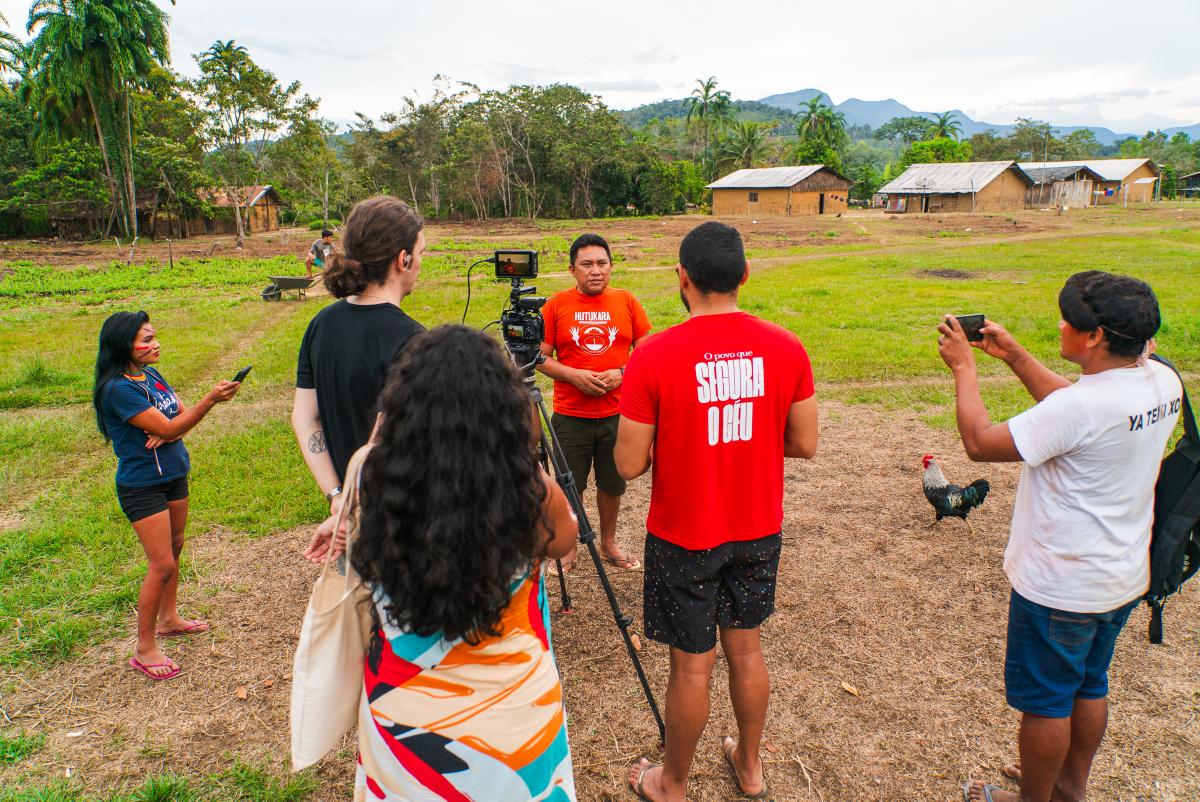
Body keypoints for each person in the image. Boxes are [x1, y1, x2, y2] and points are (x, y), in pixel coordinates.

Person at [935, 271, 1181, 802]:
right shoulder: (1163, 379)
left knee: (1046, 702)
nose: (1061, 326)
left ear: (1094, 336)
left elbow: (979, 443)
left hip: (1061, 586)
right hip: (1120, 574)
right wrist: (1017, 356)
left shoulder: (1083, 408)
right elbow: (1078, 411)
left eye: (1067, 321)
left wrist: (966, 367)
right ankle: (1069, 788)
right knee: (1089, 685)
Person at [615, 222, 818, 802]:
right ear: (744, 276)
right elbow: (804, 442)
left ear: (683, 278)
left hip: (684, 535)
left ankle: (672, 782)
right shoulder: (786, 346)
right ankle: (749, 767)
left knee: (691, 667)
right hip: (757, 529)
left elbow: (628, 465)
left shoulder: (653, 355)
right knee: (746, 648)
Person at [341, 325, 579, 800]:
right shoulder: (529, 489)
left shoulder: (370, 471)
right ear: (502, 408)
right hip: (515, 717)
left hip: (404, 716)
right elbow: (564, 541)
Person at [93, 311, 241, 680]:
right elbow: (177, 422)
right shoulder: (117, 389)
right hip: (142, 484)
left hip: (174, 473)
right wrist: (205, 403)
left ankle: (170, 619)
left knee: (175, 550)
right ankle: (144, 649)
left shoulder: (151, 376)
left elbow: (178, 418)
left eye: (154, 336)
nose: (155, 344)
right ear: (123, 345)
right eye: (145, 340)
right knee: (161, 564)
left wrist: (173, 430)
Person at [292, 197, 425, 561]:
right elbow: (394, 440)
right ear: (403, 259)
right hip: (404, 527)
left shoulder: (321, 324)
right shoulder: (413, 340)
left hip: (347, 521)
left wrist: (338, 497)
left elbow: (304, 417)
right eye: (420, 252)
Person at [538, 233, 651, 571]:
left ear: (611, 266)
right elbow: (539, 358)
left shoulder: (627, 301)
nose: (596, 271)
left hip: (619, 414)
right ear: (572, 269)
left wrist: (621, 372)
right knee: (569, 484)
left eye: (602, 263)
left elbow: (646, 351)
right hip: (571, 416)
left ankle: (608, 541)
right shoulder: (555, 305)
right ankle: (568, 545)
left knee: (612, 482)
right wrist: (573, 375)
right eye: (586, 264)